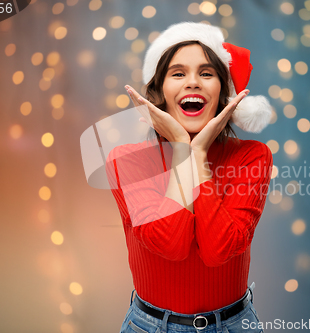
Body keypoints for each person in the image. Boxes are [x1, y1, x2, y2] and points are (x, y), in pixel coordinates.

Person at [105, 22, 273, 333]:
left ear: (224, 92)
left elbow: (218, 250)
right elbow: (171, 245)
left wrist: (196, 156)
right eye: (178, 73)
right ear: (160, 92)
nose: (192, 82)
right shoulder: (128, 160)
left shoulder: (252, 156)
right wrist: (183, 149)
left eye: (207, 73)